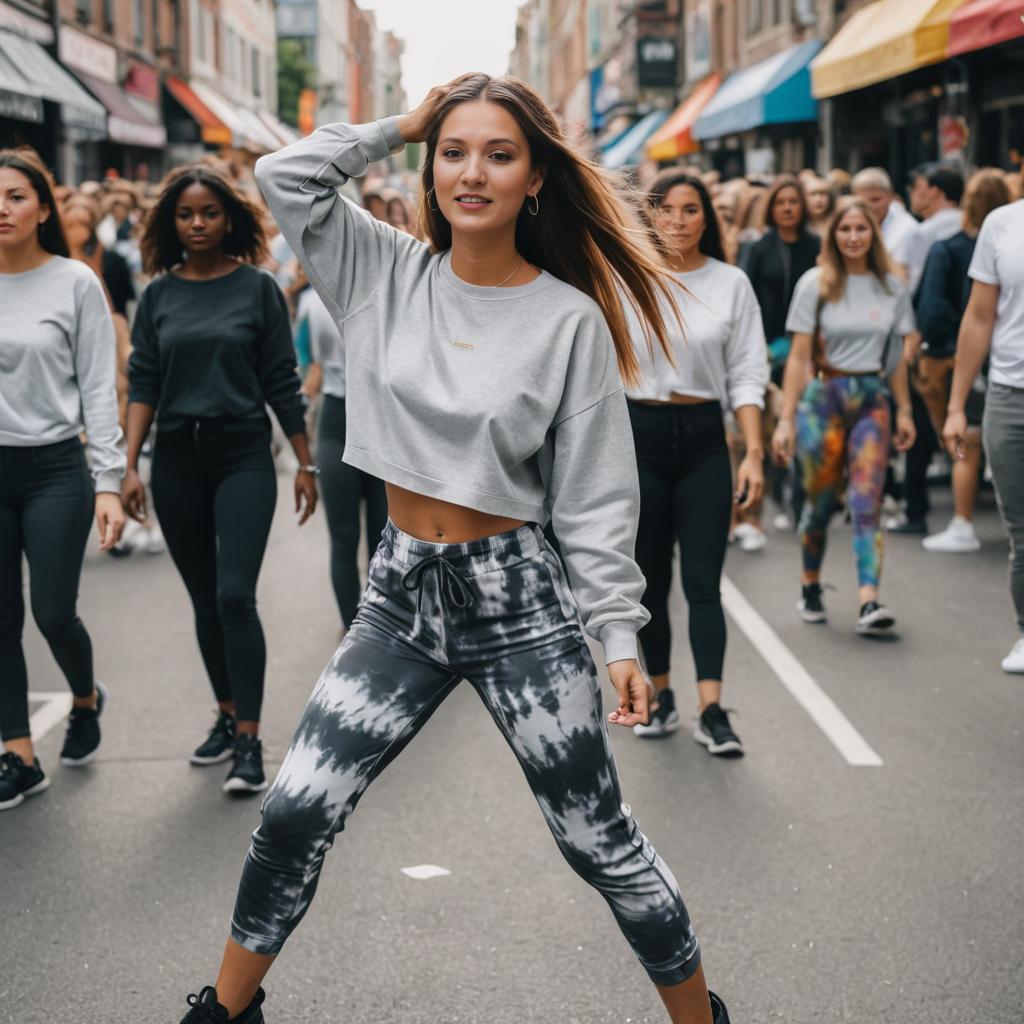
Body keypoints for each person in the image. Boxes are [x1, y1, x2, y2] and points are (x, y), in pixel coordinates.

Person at [177, 75, 731, 1024]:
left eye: (500, 154)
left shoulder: (568, 320)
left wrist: (621, 639)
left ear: (536, 180)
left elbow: (598, 499)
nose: (472, 172)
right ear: (430, 167)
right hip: (399, 595)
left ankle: (700, 1020)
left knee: (598, 843)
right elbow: (284, 173)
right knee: (294, 812)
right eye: (454, 151)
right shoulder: (380, 269)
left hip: (517, 603)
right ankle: (222, 1015)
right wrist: (403, 123)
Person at [123, 164, 318, 796]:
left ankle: (250, 741)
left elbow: (280, 379)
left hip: (242, 455)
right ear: (170, 223)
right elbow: (145, 380)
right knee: (205, 598)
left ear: (229, 217)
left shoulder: (258, 289)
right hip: (177, 457)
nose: (198, 223)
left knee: (236, 594)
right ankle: (227, 712)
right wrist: (128, 467)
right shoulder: (158, 295)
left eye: (209, 213)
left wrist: (304, 460)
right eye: (186, 214)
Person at [0, 149, 126, 811]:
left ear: (44, 207)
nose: (3, 208)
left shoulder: (73, 281)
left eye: (17, 195)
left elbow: (100, 391)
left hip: (55, 467)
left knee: (52, 611)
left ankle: (85, 696)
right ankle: (18, 756)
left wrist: (109, 482)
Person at [626, 171, 766, 755]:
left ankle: (712, 711)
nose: (678, 221)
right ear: (650, 216)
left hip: (707, 439)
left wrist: (754, 451)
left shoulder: (731, 283)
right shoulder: (627, 278)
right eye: (667, 210)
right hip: (639, 440)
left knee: (704, 584)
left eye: (690, 210)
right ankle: (660, 697)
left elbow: (748, 373)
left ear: (708, 217)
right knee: (650, 583)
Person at [772, 196, 916, 635]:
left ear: (874, 234)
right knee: (817, 504)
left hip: (872, 398)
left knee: (866, 502)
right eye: (845, 229)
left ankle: (869, 600)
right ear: (833, 235)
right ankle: (810, 583)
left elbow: (896, 359)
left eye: (862, 229)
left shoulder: (892, 286)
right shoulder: (816, 284)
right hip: (823, 397)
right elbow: (797, 357)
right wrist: (785, 418)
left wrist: (906, 409)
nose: (853, 237)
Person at [942, 184, 1024, 674]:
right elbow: (978, 316)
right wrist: (956, 405)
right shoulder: (1002, 224)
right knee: (1020, 526)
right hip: (1009, 395)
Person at [917, 170, 1012, 554]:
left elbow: (935, 308)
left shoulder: (948, 248)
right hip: (998, 366)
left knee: (968, 444)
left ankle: (962, 522)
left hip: (974, 361)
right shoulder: (1001, 232)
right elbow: (977, 314)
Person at [298, 286, 387, 631]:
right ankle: (352, 630)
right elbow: (314, 364)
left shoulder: (390, 285)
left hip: (380, 424)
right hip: (336, 420)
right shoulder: (310, 299)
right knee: (343, 536)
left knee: (384, 541)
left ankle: (382, 629)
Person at [740, 175, 821, 547]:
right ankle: (774, 493)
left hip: (809, 349)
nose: (788, 208)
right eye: (781, 202)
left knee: (803, 426)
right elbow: (746, 302)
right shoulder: (758, 249)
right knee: (773, 427)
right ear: (771, 207)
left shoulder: (817, 246)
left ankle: (799, 498)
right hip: (767, 349)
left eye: (794, 201)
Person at [887, 164, 965, 537]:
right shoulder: (974, 225)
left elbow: (914, 291)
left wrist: (912, 339)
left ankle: (916, 509)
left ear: (933, 190)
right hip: (973, 344)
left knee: (919, 420)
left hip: (933, 345)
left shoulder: (923, 234)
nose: (914, 194)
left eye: (917, 187)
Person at [851, 167, 915, 265]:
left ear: (890, 197)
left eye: (875, 200)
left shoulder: (908, 229)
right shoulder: (847, 224)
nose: (869, 207)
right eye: (862, 201)